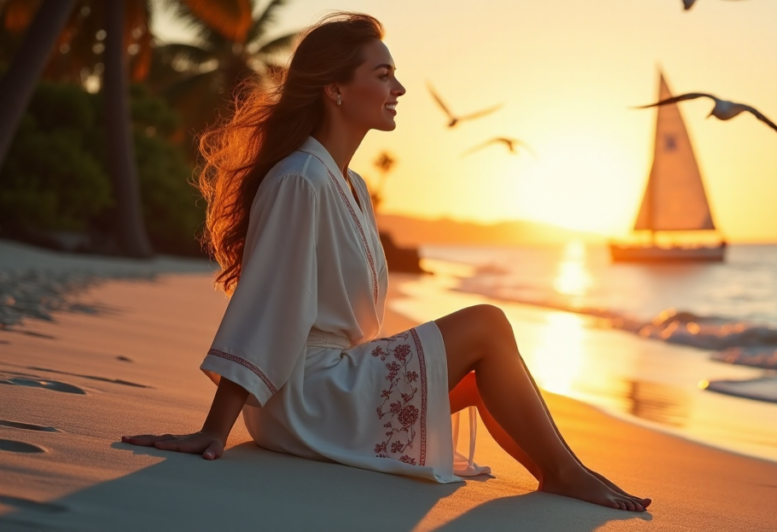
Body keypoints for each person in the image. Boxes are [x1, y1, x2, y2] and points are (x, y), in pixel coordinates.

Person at [123, 12, 650, 512]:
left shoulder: (351, 185)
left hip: (332, 384)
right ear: (335, 89)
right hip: (307, 397)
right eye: (383, 75)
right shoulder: (301, 179)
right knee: (487, 323)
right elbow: (269, 305)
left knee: (483, 378)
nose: (398, 89)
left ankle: (563, 470)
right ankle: (565, 472)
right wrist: (214, 429)